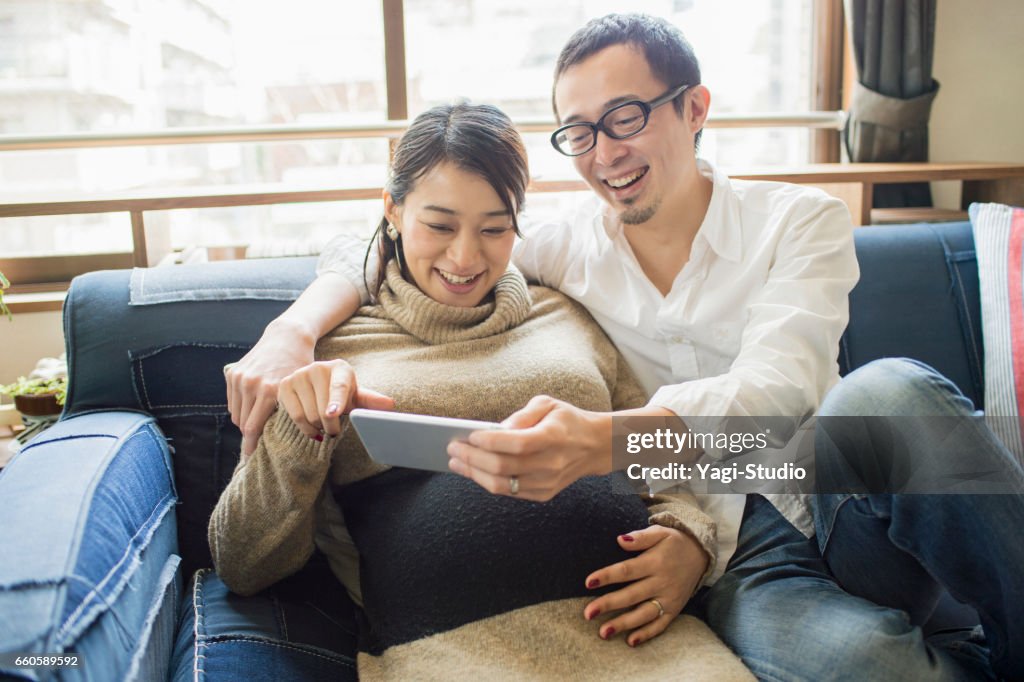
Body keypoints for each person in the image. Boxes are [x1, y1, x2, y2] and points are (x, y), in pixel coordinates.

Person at [225, 13, 1023, 680]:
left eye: (627, 118)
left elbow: (778, 397)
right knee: (862, 667)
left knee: (888, 395)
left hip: (821, 483)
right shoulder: (558, 250)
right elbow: (401, 243)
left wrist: (604, 443)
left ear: (696, 107)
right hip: (742, 560)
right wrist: (291, 329)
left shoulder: (799, 221)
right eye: (580, 132)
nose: (605, 153)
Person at [209, 102, 753, 679]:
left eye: (495, 228)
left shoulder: (565, 313)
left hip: (648, 638)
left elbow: (653, 450)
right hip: (455, 654)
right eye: (439, 225)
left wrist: (689, 538)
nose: (465, 257)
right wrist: (303, 426)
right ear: (392, 209)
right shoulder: (330, 349)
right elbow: (241, 561)